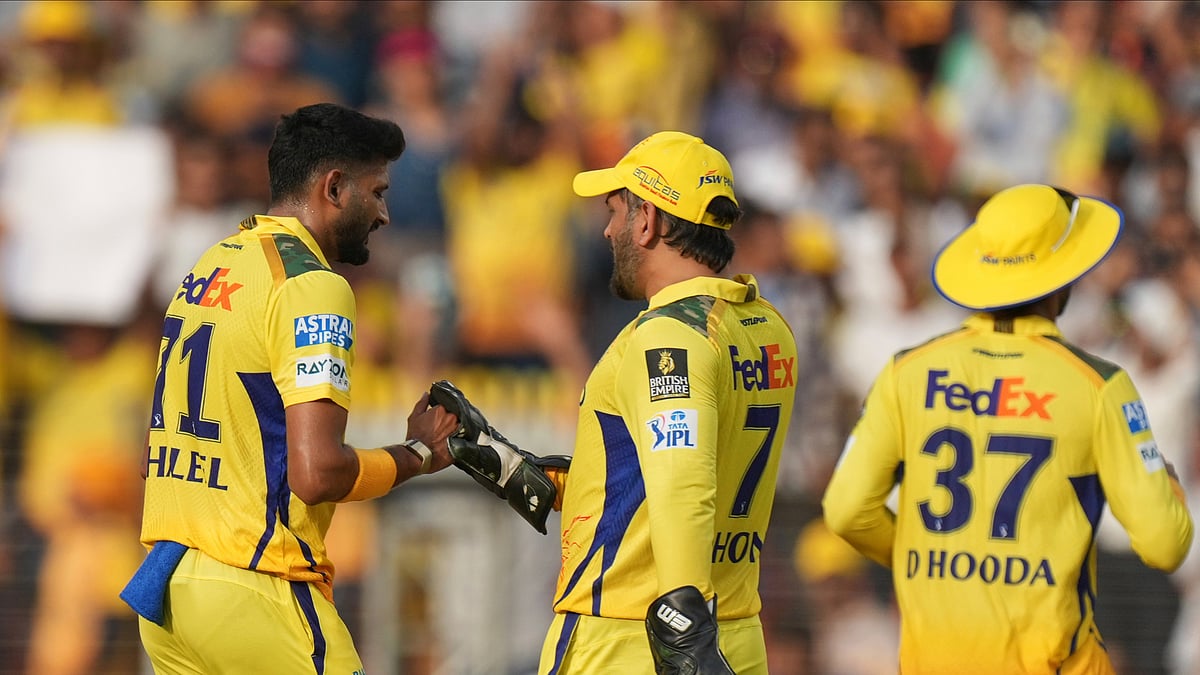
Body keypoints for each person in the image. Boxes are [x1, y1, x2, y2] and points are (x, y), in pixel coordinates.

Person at [119, 102, 460, 673]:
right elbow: (317, 472)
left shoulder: (210, 265)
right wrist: (419, 454)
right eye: (376, 192)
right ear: (333, 188)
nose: (385, 214)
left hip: (171, 592)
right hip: (256, 589)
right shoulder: (312, 286)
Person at [822, 183, 1195, 674]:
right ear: (1064, 276)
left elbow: (846, 511)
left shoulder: (905, 373)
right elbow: (1165, 543)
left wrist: (934, 568)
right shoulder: (1099, 386)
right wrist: (1168, 484)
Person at [506, 130, 798, 674]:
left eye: (616, 210)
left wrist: (684, 627)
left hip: (639, 640)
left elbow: (684, 483)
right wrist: (515, 471)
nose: (608, 228)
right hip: (734, 632)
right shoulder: (769, 327)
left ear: (650, 222)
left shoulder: (668, 337)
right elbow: (662, 470)